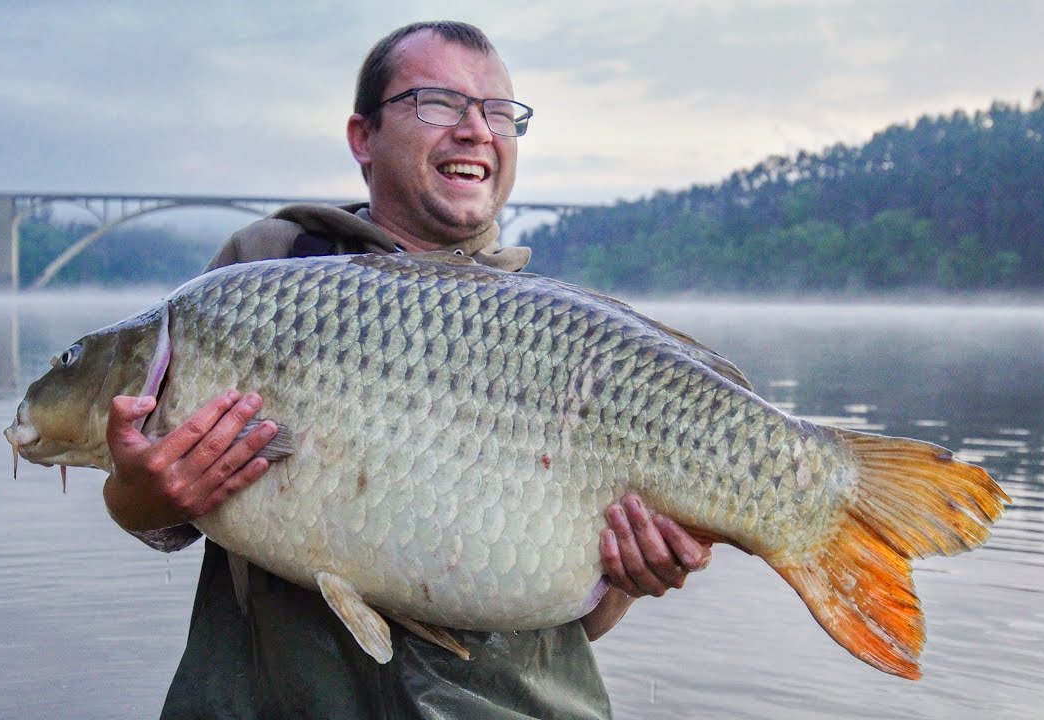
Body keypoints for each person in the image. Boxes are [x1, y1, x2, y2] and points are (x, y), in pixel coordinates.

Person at [102, 21, 712, 719]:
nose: (476, 129)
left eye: (498, 113)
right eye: (438, 103)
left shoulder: (569, 341)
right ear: (363, 136)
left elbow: (576, 617)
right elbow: (160, 509)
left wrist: (634, 576)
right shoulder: (268, 267)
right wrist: (135, 499)